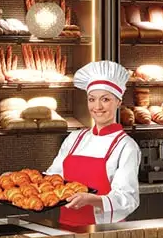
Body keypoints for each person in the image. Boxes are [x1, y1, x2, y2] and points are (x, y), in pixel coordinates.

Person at [45, 60, 140, 225]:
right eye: (92, 99)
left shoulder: (126, 146)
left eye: (105, 99)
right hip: (66, 227)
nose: (97, 106)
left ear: (118, 102)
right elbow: (53, 178)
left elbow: (128, 198)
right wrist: (16, 182)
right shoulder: (75, 138)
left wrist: (93, 200)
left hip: (104, 233)